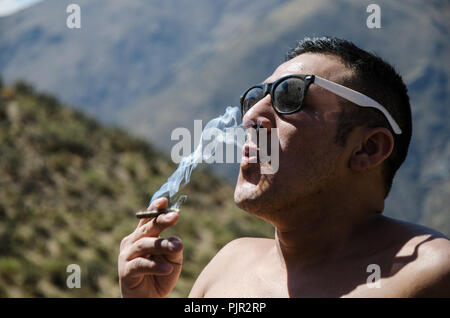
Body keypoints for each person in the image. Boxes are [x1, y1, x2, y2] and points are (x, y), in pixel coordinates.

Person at [118, 37, 450, 297]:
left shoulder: (430, 274)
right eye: (254, 98)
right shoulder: (230, 265)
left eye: (289, 97)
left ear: (368, 148)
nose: (250, 118)